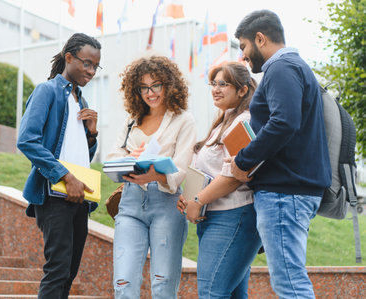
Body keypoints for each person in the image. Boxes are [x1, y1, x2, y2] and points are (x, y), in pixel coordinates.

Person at [228, 10, 331, 299]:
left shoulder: (281, 67)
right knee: (290, 278)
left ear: (260, 38)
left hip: (285, 192)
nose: (243, 57)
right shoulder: (293, 66)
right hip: (291, 190)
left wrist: (243, 159)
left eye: (244, 47)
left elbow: (284, 122)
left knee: (290, 283)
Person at [17, 33, 102, 298]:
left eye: (95, 66)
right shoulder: (48, 91)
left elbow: (82, 154)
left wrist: (92, 134)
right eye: (86, 63)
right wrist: (64, 176)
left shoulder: (82, 101)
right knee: (57, 269)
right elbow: (27, 140)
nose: (91, 71)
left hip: (80, 196)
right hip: (55, 194)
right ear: (69, 57)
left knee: (69, 272)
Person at [106, 55, 196, 298]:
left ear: (169, 85)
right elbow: (115, 153)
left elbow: (181, 166)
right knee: (123, 281)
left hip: (166, 203)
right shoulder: (131, 120)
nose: (150, 93)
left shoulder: (183, 120)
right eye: (143, 87)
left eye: (156, 85)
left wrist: (156, 176)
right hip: (131, 202)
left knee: (163, 281)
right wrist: (130, 157)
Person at [177, 62, 262, 299]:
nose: (216, 89)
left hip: (233, 216)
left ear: (242, 90)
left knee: (211, 292)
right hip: (217, 216)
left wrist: (197, 200)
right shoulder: (224, 120)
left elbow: (236, 175)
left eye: (223, 84)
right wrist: (190, 198)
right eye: (213, 83)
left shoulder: (243, 121)